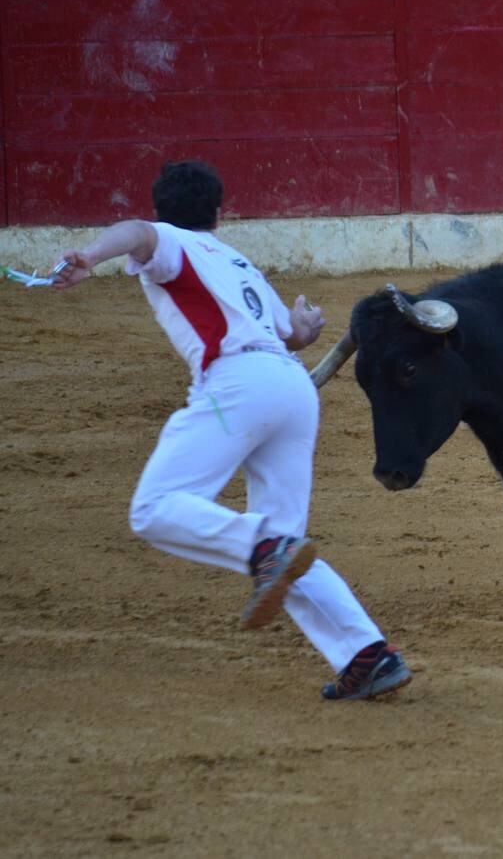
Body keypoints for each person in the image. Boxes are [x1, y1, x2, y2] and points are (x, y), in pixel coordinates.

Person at [50, 160, 411, 701]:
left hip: (238, 385)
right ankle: (368, 655)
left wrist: (92, 255)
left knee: (156, 509)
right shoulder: (239, 262)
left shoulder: (165, 239)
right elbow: (292, 334)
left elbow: (139, 233)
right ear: (220, 213)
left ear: (162, 209)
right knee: (288, 549)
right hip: (290, 390)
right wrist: (306, 327)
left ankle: (262, 548)